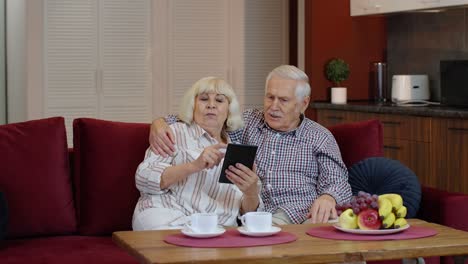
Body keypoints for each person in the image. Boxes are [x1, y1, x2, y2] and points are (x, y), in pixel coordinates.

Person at [149, 65, 352, 225]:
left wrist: (328, 197)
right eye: (270, 97)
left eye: (283, 100)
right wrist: (159, 123)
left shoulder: (319, 136)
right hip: (257, 216)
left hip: (306, 213)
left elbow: (338, 181)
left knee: (343, 246)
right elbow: (204, 117)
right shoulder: (248, 122)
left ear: (304, 103)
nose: (273, 107)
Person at [133, 77, 260, 230]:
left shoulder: (237, 151)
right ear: (192, 106)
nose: (211, 105)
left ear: (229, 110)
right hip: (166, 215)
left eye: (219, 101)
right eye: (204, 99)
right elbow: (143, 177)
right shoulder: (174, 132)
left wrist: (251, 192)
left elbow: (247, 214)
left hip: (213, 228)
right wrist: (194, 166)